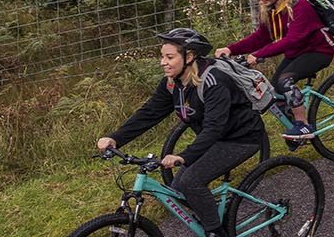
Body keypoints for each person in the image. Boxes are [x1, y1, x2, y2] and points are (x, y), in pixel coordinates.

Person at [98, 29, 266, 237]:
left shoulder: (214, 81)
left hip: (242, 138)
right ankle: (213, 214)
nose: (163, 62)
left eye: (170, 57)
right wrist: (116, 138)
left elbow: (214, 127)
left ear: (189, 56)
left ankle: (216, 232)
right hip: (215, 138)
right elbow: (149, 113)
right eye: (162, 56)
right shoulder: (172, 83)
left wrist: (184, 156)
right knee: (177, 189)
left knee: (190, 183)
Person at [216, 0, 333, 150]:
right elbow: (261, 37)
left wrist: (258, 55)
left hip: (318, 51)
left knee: (285, 81)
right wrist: (231, 49)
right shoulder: (271, 8)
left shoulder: (299, 6)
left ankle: (302, 125)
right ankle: (294, 125)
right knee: (272, 90)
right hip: (296, 53)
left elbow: (291, 40)